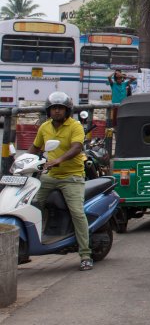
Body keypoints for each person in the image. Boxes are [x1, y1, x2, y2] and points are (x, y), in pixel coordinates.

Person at [29, 92, 92, 271]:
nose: (57, 111)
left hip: (72, 177)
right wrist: (22, 161)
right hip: (50, 176)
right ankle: (29, 246)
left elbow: (77, 147)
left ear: (67, 111)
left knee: (77, 212)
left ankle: (85, 254)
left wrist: (59, 160)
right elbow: (35, 147)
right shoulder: (45, 127)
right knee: (32, 204)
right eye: (54, 108)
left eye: (60, 108)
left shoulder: (75, 126)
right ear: (49, 111)